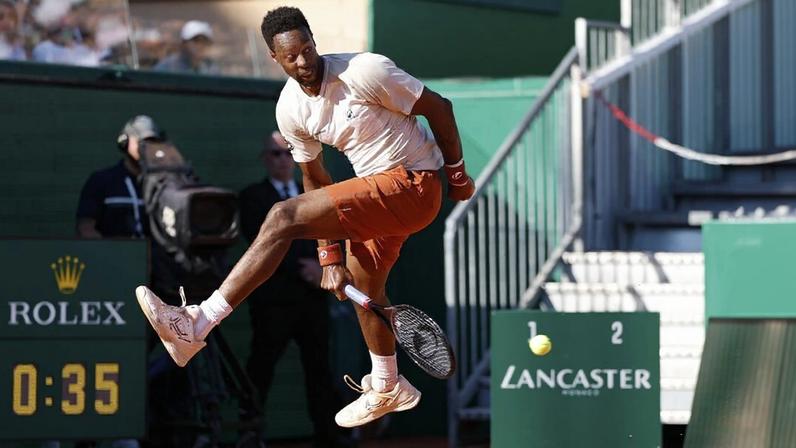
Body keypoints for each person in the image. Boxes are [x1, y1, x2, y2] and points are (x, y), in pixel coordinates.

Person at [136, 5, 475, 430]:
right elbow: (314, 176)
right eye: (291, 56)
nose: (304, 62)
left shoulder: (366, 71)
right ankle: (388, 384)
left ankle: (198, 321)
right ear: (274, 59)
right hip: (379, 198)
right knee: (364, 282)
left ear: (314, 42)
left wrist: (457, 175)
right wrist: (329, 257)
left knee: (282, 216)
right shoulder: (291, 110)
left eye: (308, 49)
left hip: (414, 184)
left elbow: (439, 108)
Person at [239, 131, 351, 447]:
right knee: (261, 367)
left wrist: (325, 267)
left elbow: (331, 229)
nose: (283, 160)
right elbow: (260, 243)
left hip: (313, 302)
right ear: (265, 159)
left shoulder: (311, 194)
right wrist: (305, 269)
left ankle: (327, 436)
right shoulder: (252, 198)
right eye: (275, 154)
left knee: (319, 368)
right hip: (273, 302)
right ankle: (250, 432)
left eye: (288, 153)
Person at [76, 115, 163, 239]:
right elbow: (85, 229)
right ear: (124, 143)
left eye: (152, 143)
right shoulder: (101, 181)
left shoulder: (162, 185)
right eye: (141, 142)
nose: (146, 148)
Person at [153, 20, 219, 75]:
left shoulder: (211, 68)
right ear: (184, 43)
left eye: (205, 41)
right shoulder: (168, 67)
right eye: (196, 40)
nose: (201, 45)